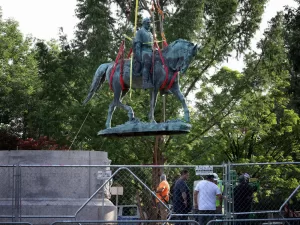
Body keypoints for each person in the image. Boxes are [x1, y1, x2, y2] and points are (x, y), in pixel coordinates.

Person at [134, 17, 154, 89]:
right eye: (148, 23)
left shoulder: (150, 33)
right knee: (147, 63)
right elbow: (138, 45)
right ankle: (145, 82)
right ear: (144, 23)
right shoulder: (140, 32)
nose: (149, 24)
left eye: (150, 23)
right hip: (144, 51)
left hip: (151, 51)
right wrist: (138, 56)